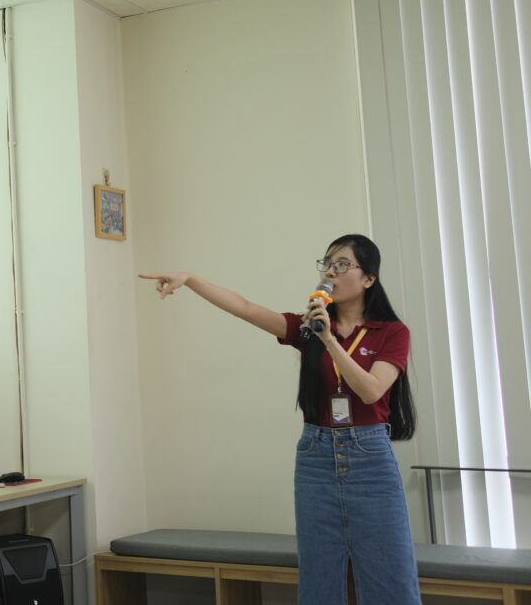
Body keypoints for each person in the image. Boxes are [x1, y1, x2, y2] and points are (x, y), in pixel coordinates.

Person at [139, 234, 420, 605]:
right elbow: (245, 308)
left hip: (370, 459)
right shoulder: (306, 327)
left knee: (389, 576)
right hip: (316, 457)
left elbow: (371, 391)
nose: (330, 272)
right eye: (326, 264)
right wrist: (190, 280)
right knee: (319, 577)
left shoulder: (391, 333)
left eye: (341, 265)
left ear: (368, 278)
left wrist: (329, 340)